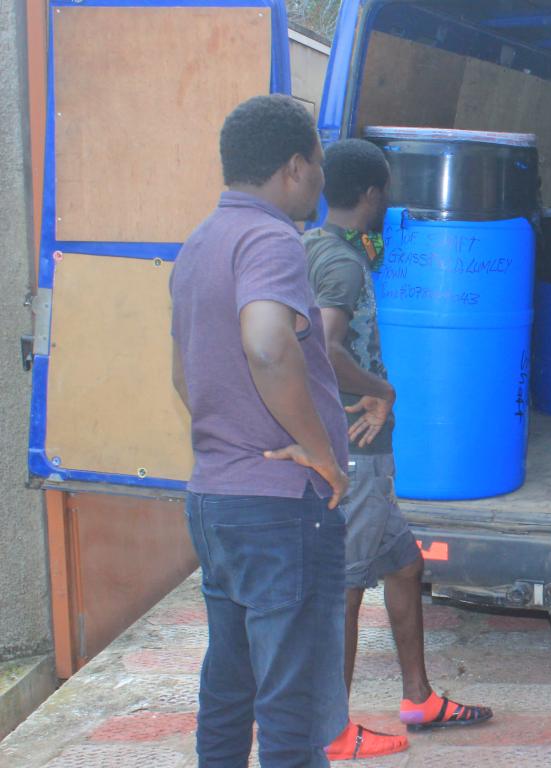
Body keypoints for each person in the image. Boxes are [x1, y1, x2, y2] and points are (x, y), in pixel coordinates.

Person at [170, 94, 351, 767]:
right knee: (292, 699)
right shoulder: (272, 237)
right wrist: (319, 452)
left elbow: (184, 377)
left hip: (215, 500)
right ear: (296, 166)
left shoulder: (198, 243)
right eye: (320, 166)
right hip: (279, 506)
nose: (322, 181)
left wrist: (233, 441)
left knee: (230, 684)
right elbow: (270, 345)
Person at [304, 139, 493, 760]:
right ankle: (331, 730)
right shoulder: (343, 264)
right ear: (372, 195)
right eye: (386, 193)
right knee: (346, 591)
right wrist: (383, 389)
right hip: (358, 448)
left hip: (364, 454)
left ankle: (418, 697)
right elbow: (327, 350)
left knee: (404, 565)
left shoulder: (311, 247)